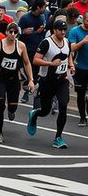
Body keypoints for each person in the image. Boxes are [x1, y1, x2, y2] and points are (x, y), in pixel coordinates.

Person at [29, 17, 73, 149]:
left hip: (62, 81)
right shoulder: (46, 43)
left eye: (65, 30)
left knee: (63, 105)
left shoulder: (67, 41)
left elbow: (69, 54)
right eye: (60, 30)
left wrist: (71, 65)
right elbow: (35, 60)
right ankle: (35, 114)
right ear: (54, 30)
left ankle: (58, 137)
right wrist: (50, 63)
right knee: (45, 111)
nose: (63, 32)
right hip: (47, 81)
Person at [0, 21, 34, 143]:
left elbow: (26, 63)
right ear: (6, 32)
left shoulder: (21, 46)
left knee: (13, 106)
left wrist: (30, 79)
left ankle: (11, 110)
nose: (13, 34)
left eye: (15, 32)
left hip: (13, 80)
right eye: (11, 32)